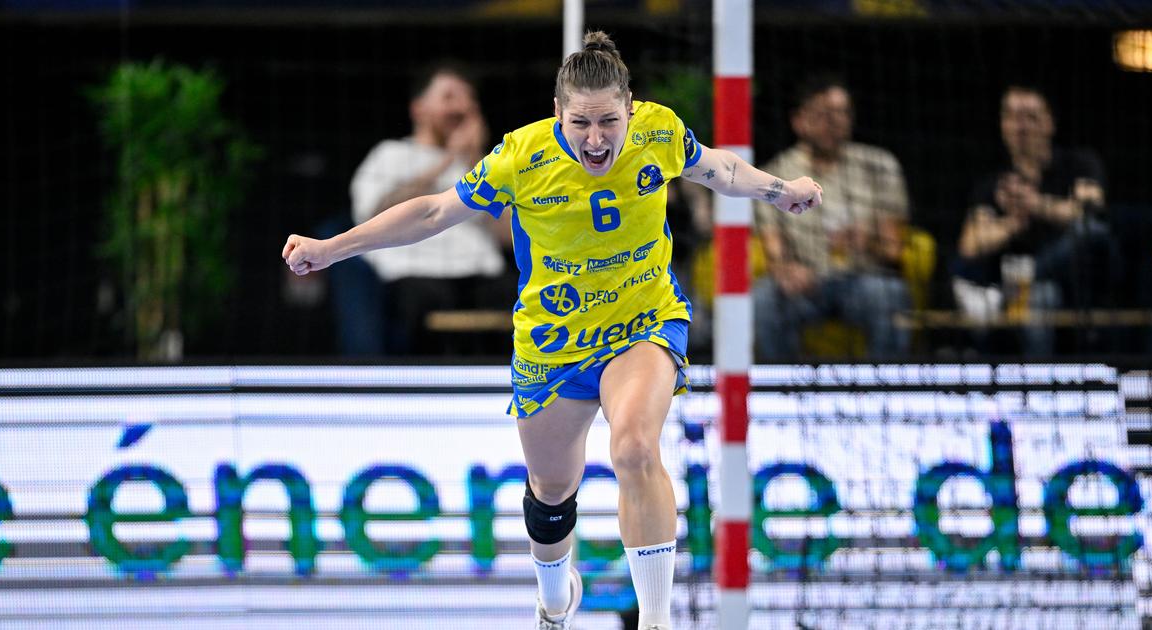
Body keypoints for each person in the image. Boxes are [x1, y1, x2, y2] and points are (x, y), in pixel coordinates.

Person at [283, 32, 821, 630]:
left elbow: (719, 168)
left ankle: (657, 619)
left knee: (634, 449)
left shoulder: (659, 132)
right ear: (557, 112)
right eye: (580, 123)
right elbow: (435, 212)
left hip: (642, 322)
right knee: (550, 489)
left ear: (631, 109)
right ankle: (554, 599)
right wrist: (331, 249)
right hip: (553, 342)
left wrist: (781, 191)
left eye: (609, 121)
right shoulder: (522, 156)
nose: (596, 140)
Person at [349, 64, 514, 354]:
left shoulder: (487, 165)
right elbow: (375, 216)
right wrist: (449, 158)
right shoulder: (390, 154)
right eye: (449, 97)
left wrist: (475, 160)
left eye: (468, 98)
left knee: (519, 297)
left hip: (481, 275)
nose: (461, 107)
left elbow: (511, 235)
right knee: (419, 303)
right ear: (419, 109)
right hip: (415, 274)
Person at [752, 75, 912, 360]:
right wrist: (787, 270)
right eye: (823, 114)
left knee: (890, 294)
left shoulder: (879, 166)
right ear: (799, 121)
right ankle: (784, 383)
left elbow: (894, 251)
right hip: (806, 285)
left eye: (841, 113)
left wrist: (867, 241)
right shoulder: (775, 173)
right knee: (763, 299)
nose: (834, 122)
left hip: (863, 279)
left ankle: (882, 383)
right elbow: (772, 248)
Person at [955, 85, 1113, 356]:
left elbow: (1090, 212)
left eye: (1030, 117)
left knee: (1091, 232)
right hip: (1026, 294)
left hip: (1082, 282)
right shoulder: (992, 184)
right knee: (1040, 295)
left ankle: (1027, 276)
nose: (1021, 127)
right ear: (1003, 125)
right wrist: (1014, 222)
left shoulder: (1079, 164)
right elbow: (970, 245)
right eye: (1012, 117)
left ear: (1050, 123)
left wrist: (1035, 204)